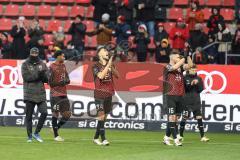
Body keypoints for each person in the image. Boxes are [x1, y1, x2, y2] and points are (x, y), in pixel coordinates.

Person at [162, 51, 193, 146]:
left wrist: (188, 56)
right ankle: (176, 139)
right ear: (172, 57)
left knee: (176, 118)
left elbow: (190, 65)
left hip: (180, 95)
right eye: (177, 57)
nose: (179, 58)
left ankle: (166, 137)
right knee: (171, 117)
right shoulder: (167, 67)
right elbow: (174, 67)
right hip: (170, 95)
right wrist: (183, 58)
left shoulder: (180, 68)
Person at [92, 46, 119, 146]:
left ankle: (95, 138)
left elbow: (117, 76)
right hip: (99, 94)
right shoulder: (95, 66)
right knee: (101, 116)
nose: (107, 52)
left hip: (109, 94)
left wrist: (111, 66)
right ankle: (103, 139)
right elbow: (101, 76)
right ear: (99, 54)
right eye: (104, 50)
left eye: (107, 51)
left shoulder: (110, 64)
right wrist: (108, 64)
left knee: (104, 118)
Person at [21, 47, 48, 143]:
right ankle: (29, 137)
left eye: (36, 54)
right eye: (33, 53)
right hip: (29, 93)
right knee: (29, 116)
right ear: (30, 53)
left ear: (38, 54)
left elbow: (47, 79)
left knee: (44, 112)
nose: (34, 55)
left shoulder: (42, 64)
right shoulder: (25, 64)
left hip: (40, 93)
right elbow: (26, 77)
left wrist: (44, 76)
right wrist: (38, 75)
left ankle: (36, 133)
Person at [178, 64, 210, 142]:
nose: (194, 71)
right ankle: (181, 135)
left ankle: (202, 137)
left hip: (196, 101)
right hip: (186, 101)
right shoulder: (184, 78)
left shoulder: (199, 78)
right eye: (193, 70)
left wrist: (197, 84)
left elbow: (200, 89)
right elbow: (184, 89)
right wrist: (191, 84)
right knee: (184, 118)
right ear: (189, 70)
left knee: (199, 118)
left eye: (195, 70)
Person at [48, 50, 71, 142]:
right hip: (55, 94)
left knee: (67, 114)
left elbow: (68, 79)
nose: (64, 57)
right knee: (56, 113)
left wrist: (65, 81)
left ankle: (56, 127)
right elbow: (50, 83)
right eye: (62, 56)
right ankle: (56, 136)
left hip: (63, 93)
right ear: (58, 56)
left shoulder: (63, 66)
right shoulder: (52, 67)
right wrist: (60, 82)